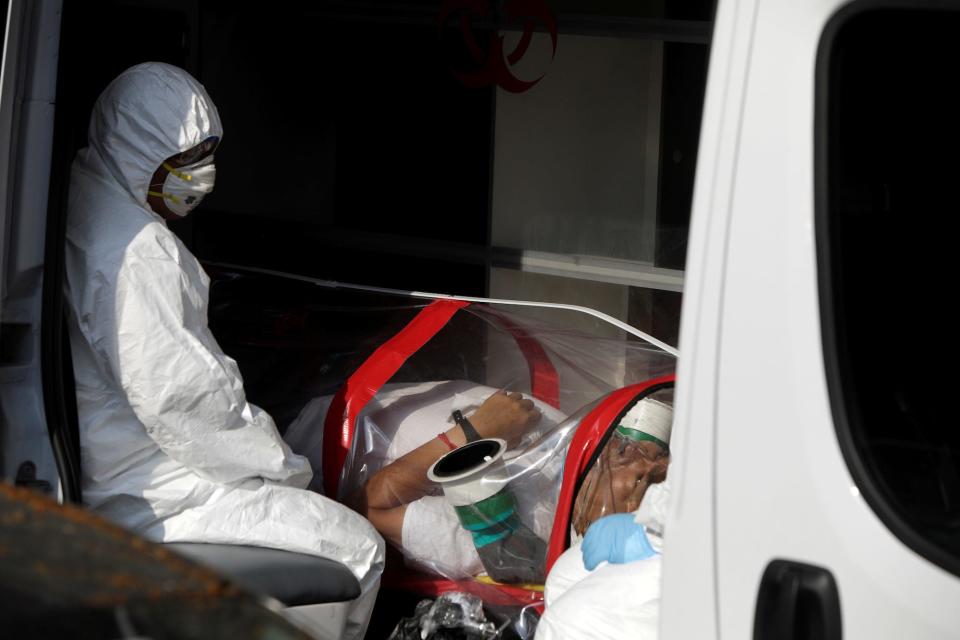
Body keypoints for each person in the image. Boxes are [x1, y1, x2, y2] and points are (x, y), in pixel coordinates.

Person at [63, 62, 383, 639]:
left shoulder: (81, 199)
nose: (203, 176)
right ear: (136, 150)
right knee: (356, 548)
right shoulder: (140, 251)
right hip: (150, 492)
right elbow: (185, 402)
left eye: (208, 154)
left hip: (109, 465)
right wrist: (283, 469)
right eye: (185, 161)